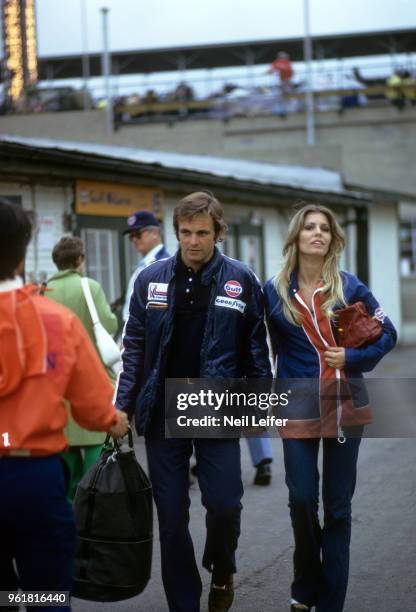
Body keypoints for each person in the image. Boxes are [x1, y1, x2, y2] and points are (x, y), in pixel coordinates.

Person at [115, 191, 271, 612]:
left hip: (216, 404)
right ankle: (184, 603)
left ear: (219, 233)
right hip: (163, 408)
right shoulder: (152, 279)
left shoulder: (241, 279)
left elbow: (257, 349)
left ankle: (222, 567)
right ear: (177, 232)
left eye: (203, 233)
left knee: (224, 504)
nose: (193, 241)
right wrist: (122, 405)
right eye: (185, 233)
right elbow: (135, 346)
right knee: (170, 515)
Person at [263, 204, 397, 612]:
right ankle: (306, 584)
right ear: (296, 237)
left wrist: (351, 359)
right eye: (309, 228)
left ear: (333, 238)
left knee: (338, 509)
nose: (317, 233)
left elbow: (387, 333)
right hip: (297, 404)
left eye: (324, 228)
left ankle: (330, 602)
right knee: (302, 499)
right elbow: (257, 345)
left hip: (345, 406)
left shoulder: (350, 286)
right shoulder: (274, 290)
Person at [0, 197, 129, 611]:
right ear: (22, 254)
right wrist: (115, 421)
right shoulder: (55, 320)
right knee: (47, 595)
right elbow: (93, 407)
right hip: (35, 480)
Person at [46, 235, 118, 500]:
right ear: (79, 260)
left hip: (56, 388)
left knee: (66, 471)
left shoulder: (43, 291)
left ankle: (69, 522)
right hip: (90, 383)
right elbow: (109, 325)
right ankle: (92, 520)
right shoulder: (89, 286)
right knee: (96, 467)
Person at [122, 210, 170, 322]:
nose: (134, 239)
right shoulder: (144, 264)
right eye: (131, 236)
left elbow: (160, 311)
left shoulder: (163, 263)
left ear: (154, 233)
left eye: (138, 234)